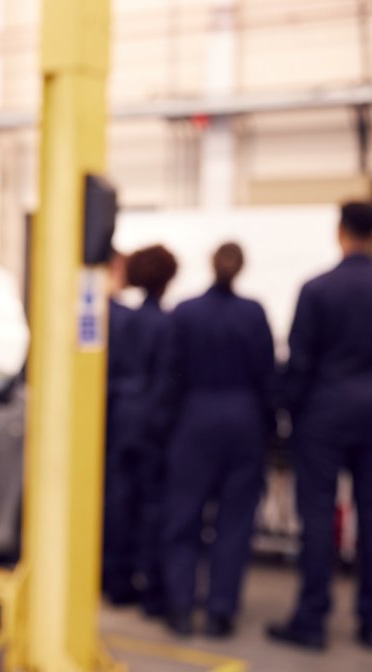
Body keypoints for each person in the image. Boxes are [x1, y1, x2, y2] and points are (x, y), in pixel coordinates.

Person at [268, 201, 372, 652]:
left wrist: (290, 412)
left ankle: (311, 620)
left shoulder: (316, 289)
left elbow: (300, 362)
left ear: (340, 232)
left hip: (322, 415)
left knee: (318, 516)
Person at [157, 243, 274, 638]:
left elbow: (169, 374)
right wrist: (270, 427)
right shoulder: (253, 313)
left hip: (195, 420)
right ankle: (220, 609)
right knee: (235, 521)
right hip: (244, 421)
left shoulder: (186, 312)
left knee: (184, 515)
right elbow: (267, 376)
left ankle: (180, 605)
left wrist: (167, 425)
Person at [126, 244, 179, 618]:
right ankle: (151, 587)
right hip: (152, 423)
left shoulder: (124, 321)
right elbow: (166, 378)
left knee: (121, 501)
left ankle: (118, 579)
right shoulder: (167, 324)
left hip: (122, 418)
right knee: (153, 506)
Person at [102, 251, 146, 604]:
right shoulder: (129, 319)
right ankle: (117, 580)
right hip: (124, 424)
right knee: (119, 500)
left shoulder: (74, 316)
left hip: (95, 423)